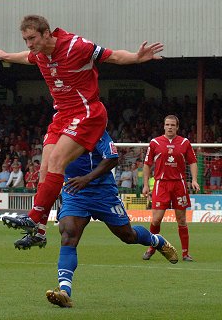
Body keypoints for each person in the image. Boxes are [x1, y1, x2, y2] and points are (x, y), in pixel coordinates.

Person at [0, 14, 163, 233]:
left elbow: (114, 57)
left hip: (87, 112)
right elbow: (27, 57)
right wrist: (8, 56)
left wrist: (136, 57)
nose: (29, 44)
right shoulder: (40, 54)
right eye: (25, 39)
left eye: (32, 38)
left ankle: (34, 218)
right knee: (43, 169)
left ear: (47, 33)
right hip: (62, 115)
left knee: (56, 161)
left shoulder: (76, 46)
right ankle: (40, 229)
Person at [14, 131, 178, 308]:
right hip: (74, 191)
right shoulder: (55, 135)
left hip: (103, 192)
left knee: (127, 235)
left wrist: (87, 178)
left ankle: (156, 240)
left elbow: (113, 158)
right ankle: (64, 292)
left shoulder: (95, 132)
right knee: (68, 234)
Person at [142, 115, 200, 262]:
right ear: (164, 126)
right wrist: (144, 185)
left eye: (173, 125)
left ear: (177, 127)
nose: (170, 127)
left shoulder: (185, 142)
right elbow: (147, 164)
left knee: (181, 220)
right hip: (161, 184)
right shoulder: (155, 143)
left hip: (179, 184)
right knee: (156, 219)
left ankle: (185, 253)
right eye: (167, 124)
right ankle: (151, 248)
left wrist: (194, 179)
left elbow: (193, 162)